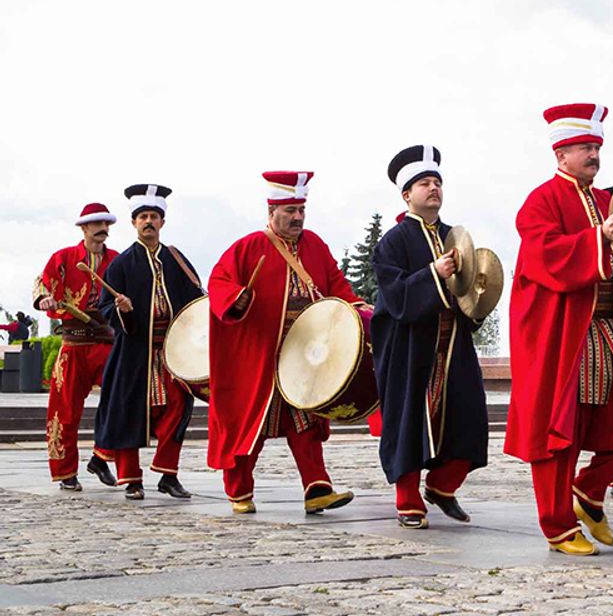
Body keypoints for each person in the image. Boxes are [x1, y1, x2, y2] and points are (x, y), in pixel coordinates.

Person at [505, 103, 613, 556]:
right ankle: (557, 525)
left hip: (610, 330)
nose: (594, 155)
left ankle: (590, 492)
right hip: (562, 335)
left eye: (596, 147)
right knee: (561, 433)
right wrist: (598, 240)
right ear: (560, 155)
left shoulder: (606, 202)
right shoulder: (541, 200)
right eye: (584, 148)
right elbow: (543, 256)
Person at [207, 171, 362, 515]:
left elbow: (336, 285)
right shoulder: (247, 247)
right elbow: (218, 282)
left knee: (305, 419)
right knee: (253, 422)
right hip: (259, 355)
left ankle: (317, 487)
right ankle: (239, 490)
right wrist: (236, 298)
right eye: (290, 210)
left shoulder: (315, 246)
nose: (297, 217)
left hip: (305, 356)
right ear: (272, 211)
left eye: (301, 210)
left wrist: (358, 308)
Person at [372, 145, 489, 529]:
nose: (433, 188)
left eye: (437, 182)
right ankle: (408, 497)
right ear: (407, 194)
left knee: (469, 415)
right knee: (408, 421)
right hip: (410, 348)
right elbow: (395, 294)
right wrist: (433, 274)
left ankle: (442, 485)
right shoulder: (393, 241)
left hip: (453, 344)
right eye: (424, 183)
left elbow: (469, 288)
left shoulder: (453, 235)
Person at [95, 185, 204, 500]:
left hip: (172, 351)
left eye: (154, 216)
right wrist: (120, 309)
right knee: (130, 412)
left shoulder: (176, 259)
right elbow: (105, 308)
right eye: (143, 216)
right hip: (133, 352)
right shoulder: (121, 265)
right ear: (134, 223)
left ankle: (168, 474)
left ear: (162, 222)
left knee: (179, 408)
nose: (149, 222)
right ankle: (131, 479)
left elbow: (195, 299)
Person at [33, 203, 120, 491]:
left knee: (120, 400)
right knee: (64, 410)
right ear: (84, 228)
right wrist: (44, 299)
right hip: (73, 345)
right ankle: (65, 471)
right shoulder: (64, 257)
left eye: (106, 225)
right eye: (97, 225)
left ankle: (102, 457)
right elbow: (43, 285)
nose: (102, 230)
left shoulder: (117, 261)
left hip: (107, 343)